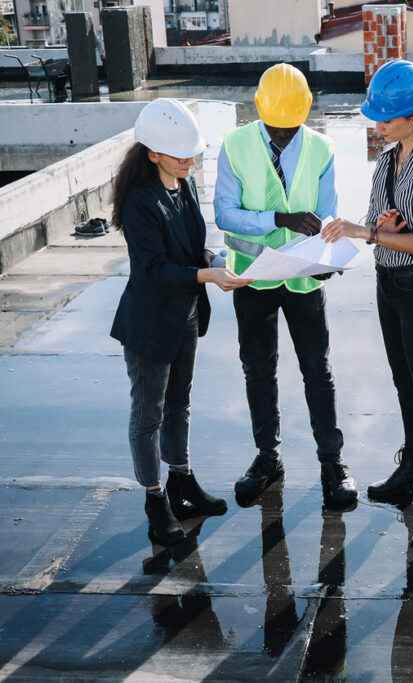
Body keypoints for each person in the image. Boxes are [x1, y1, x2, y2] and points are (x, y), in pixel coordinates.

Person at [321, 60, 413, 546]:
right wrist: (383, 223)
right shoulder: (387, 160)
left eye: (387, 117)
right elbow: (375, 226)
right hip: (389, 287)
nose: (378, 125)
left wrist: (374, 231)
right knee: (405, 385)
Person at [214, 63, 357, 510]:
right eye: (274, 127)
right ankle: (267, 458)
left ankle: (332, 463)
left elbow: (329, 215)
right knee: (258, 369)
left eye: (289, 128)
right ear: (259, 112)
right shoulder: (233, 146)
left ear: (305, 115)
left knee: (318, 370)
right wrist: (278, 219)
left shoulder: (322, 149)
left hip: (301, 279)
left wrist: (326, 255)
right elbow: (223, 214)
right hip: (251, 277)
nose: (281, 135)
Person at [110, 98, 252, 547]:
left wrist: (214, 260)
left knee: (180, 405)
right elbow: (152, 270)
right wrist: (207, 274)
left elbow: (192, 249)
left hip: (186, 316)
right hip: (150, 323)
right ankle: (156, 502)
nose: (190, 161)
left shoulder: (184, 184)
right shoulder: (139, 201)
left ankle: (182, 482)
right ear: (153, 153)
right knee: (148, 415)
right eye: (179, 154)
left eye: (193, 153)